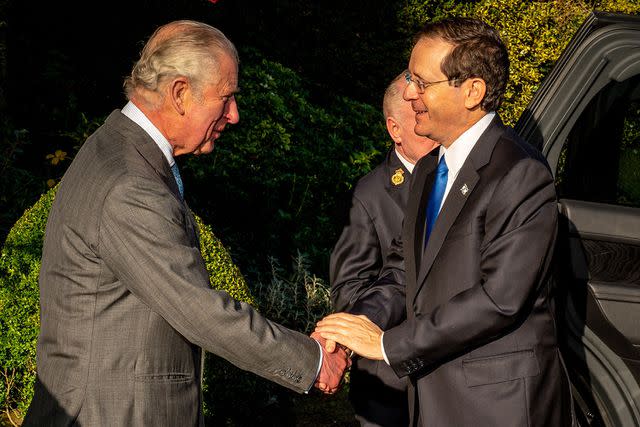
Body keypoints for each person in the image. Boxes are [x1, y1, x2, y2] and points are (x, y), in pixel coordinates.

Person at [23, 20, 349, 426]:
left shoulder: (117, 150)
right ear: (180, 93)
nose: (234, 114)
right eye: (226, 97)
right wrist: (313, 360)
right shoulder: (129, 184)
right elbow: (200, 310)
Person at [317, 17, 573, 426]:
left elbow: (499, 299)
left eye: (422, 82)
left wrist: (387, 344)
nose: (409, 93)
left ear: (472, 91)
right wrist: (355, 325)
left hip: (497, 406)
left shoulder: (521, 173)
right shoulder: (428, 169)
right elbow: (403, 271)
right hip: (431, 399)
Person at [330, 71, 438, 427]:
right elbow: (348, 293)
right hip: (391, 383)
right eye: (419, 121)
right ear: (395, 129)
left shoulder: (454, 178)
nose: (430, 129)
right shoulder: (370, 194)